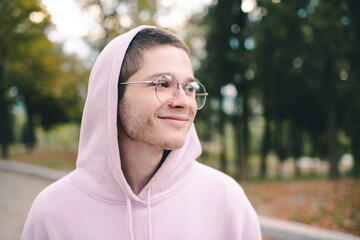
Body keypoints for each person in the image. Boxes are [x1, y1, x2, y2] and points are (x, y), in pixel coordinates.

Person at [22, 25, 262, 240]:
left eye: (189, 88)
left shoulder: (226, 201)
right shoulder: (52, 212)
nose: (184, 102)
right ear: (112, 96)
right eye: (162, 84)